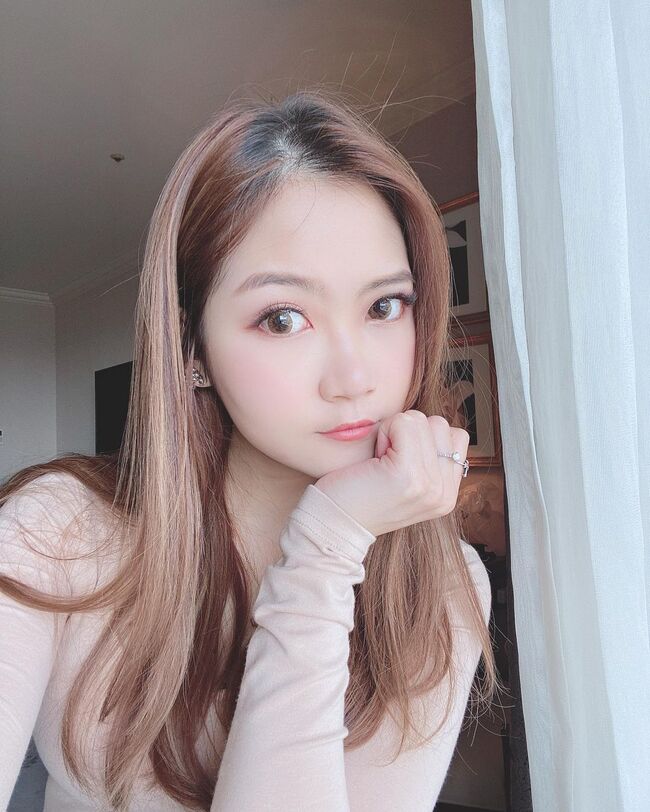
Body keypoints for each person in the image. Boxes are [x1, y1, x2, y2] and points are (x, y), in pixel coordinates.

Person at [0, 88, 503, 811]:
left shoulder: (444, 584)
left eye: (384, 306)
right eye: (283, 318)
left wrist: (327, 550)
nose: (354, 379)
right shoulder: (57, 536)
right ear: (191, 348)